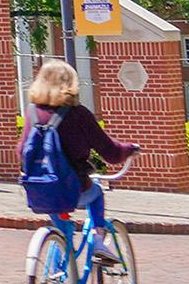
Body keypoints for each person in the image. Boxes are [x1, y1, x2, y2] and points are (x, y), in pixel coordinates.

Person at [25, 57, 137, 237]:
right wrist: (129, 149)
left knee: (61, 228)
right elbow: (110, 152)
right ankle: (98, 237)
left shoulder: (32, 113)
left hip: (40, 188)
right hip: (73, 188)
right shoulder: (79, 114)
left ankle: (62, 251)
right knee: (97, 193)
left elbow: (22, 151)